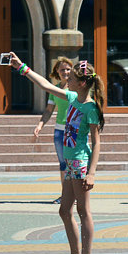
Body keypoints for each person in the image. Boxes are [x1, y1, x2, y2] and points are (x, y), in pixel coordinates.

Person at [8, 53, 104, 254]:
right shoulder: (71, 97)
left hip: (80, 162)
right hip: (70, 163)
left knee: (83, 210)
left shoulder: (91, 109)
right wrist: (21, 67)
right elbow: (45, 85)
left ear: (81, 83)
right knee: (64, 211)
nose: (66, 77)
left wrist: (92, 173)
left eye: (71, 77)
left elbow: (97, 144)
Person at [31, 57, 75, 205]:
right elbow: (49, 110)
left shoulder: (76, 88)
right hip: (59, 131)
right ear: (57, 71)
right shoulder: (54, 89)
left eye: (68, 69)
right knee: (63, 164)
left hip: (73, 131)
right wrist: (40, 125)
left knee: (73, 163)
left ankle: (75, 194)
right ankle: (65, 195)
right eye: (62, 69)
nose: (65, 72)